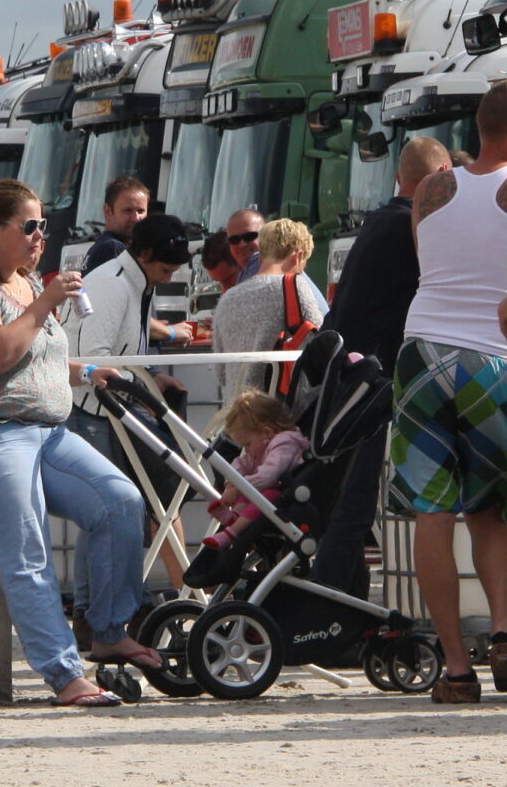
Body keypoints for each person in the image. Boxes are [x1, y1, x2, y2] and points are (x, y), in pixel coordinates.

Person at [0, 178, 154, 706]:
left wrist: (88, 370)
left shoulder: (25, 285)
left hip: (44, 432)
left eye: (44, 226)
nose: (40, 236)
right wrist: (46, 301)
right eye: (29, 226)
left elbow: (34, 358)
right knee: (29, 549)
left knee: (122, 503)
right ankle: (65, 674)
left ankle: (109, 631)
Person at [393, 80, 507, 702]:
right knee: (489, 509)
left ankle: (457, 670)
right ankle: (504, 632)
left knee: (431, 513)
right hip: (492, 358)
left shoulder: (434, 189)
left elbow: (431, 266)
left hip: (421, 353)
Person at [313, 135, 452, 597]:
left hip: (348, 377)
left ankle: (339, 608)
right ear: (437, 177)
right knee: (352, 507)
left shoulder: (379, 222)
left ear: (398, 177)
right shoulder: (412, 230)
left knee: (345, 503)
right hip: (368, 386)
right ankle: (329, 608)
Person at [68, 211, 196, 603]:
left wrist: (147, 384)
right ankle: (101, 608)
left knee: (107, 515)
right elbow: (95, 357)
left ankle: (96, 608)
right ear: (142, 253)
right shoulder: (113, 284)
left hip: (107, 408)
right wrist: (142, 391)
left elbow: (113, 355)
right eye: (165, 266)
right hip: (95, 410)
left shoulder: (132, 279)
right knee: (113, 514)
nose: (170, 274)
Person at [184, 389, 312, 587]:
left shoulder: (284, 443)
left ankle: (232, 531)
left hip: (286, 498)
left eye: (248, 444)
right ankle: (235, 516)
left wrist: (239, 489)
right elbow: (239, 464)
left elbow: (270, 476)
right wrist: (232, 484)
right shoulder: (259, 445)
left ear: (268, 432)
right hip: (268, 497)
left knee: (262, 493)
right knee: (251, 490)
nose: (247, 450)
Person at [210, 217, 324, 398]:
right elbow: (322, 344)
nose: (303, 270)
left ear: (261, 256)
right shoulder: (294, 286)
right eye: (305, 263)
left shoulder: (226, 300)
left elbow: (220, 373)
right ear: (298, 257)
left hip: (235, 415)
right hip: (275, 413)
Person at [81, 175, 152, 275]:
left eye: (141, 211)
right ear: (108, 211)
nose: (136, 218)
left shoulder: (103, 245)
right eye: (128, 211)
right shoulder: (112, 248)